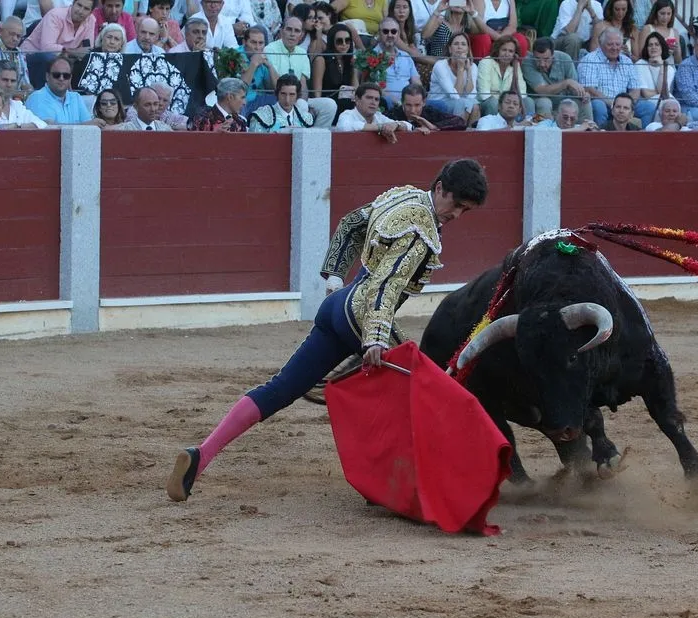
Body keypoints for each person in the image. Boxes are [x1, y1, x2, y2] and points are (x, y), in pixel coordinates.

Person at [166, 158, 490, 502]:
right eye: (456, 204)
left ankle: (201, 455)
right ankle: (398, 485)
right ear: (440, 188)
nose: (457, 215)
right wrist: (376, 338)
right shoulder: (421, 231)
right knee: (425, 391)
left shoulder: (403, 196)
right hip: (363, 317)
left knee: (280, 388)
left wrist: (335, 277)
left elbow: (351, 223)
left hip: (338, 305)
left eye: (465, 211)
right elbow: (385, 285)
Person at [578, 27, 653, 125]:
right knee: (598, 106)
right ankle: (601, 133)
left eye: (618, 44)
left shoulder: (627, 61)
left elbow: (635, 89)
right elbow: (589, 89)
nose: (614, 48)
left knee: (649, 108)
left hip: (624, 104)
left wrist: (625, 105)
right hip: (602, 102)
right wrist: (613, 104)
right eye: (610, 44)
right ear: (600, 44)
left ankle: (642, 135)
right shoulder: (590, 59)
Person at [428, 31, 480, 122]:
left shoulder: (473, 67)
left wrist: (468, 71)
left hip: (462, 103)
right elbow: (454, 95)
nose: (459, 47)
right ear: (450, 49)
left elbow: (471, 95)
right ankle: (458, 129)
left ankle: (469, 130)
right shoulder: (440, 66)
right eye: (456, 44)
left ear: (468, 49)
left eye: (463, 44)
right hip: (439, 103)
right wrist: (460, 69)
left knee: (475, 105)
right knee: (464, 103)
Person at [477, 34, 533, 116]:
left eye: (510, 51)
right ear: (498, 50)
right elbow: (484, 95)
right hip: (487, 104)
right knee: (493, 102)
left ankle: (526, 123)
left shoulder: (515, 65)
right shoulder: (486, 62)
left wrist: (511, 104)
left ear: (514, 54)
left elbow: (522, 92)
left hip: (507, 104)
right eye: (504, 50)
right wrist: (505, 106)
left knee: (528, 101)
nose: (507, 54)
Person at [335, 81, 414, 138]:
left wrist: (396, 125)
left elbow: (409, 126)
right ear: (357, 99)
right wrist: (380, 127)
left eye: (376, 99)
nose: (373, 102)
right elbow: (344, 127)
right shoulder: (347, 114)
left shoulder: (379, 117)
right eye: (369, 98)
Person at [311, 23, 356, 121]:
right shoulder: (321, 60)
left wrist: (354, 68)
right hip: (328, 105)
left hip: (346, 104)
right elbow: (316, 93)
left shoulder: (349, 60)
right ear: (332, 42)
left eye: (347, 40)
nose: (344, 44)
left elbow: (355, 91)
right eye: (339, 41)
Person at [247, 73, 315, 131]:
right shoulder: (262, 116)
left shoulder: (305, 118)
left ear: (297, 96)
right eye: (283, 94)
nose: (287, 100)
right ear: (277, 94)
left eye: (292, 94)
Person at [387, 82, 468, 130]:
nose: (412, 110)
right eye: (408, 105)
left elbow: (460, 121)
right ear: (402, 102)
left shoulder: (430, 112)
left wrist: (433, 126)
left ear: (424, 102)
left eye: (417, 105)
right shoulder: (393, 114)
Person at [0, 59, 46, 128]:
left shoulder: (18, 106)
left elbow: (42, 125)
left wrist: (18, 127)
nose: (9, 85)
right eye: (5, 80)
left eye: (13, 81)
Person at [240, 25, 278, 114]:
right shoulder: (234, 56)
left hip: (256, 100)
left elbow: (278, 88)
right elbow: (240, 90)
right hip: (239, 101)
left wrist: (270, 67)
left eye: (261, 43)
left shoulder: (263, 56)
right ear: (244, 42)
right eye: (253, 42)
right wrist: (253, 64)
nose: (257, 47)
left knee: (281, 101)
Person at [635, 31, 673, 103]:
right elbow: (645, 94)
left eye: (657, 44)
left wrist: (662, 66)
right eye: (650, 45)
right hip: (646, 103)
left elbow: (662, 91)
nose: (653, 47)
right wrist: (661, 93)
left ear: (662, 47)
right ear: (647, 48)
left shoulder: (669, 68)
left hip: (664, 102)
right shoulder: (640, 64)